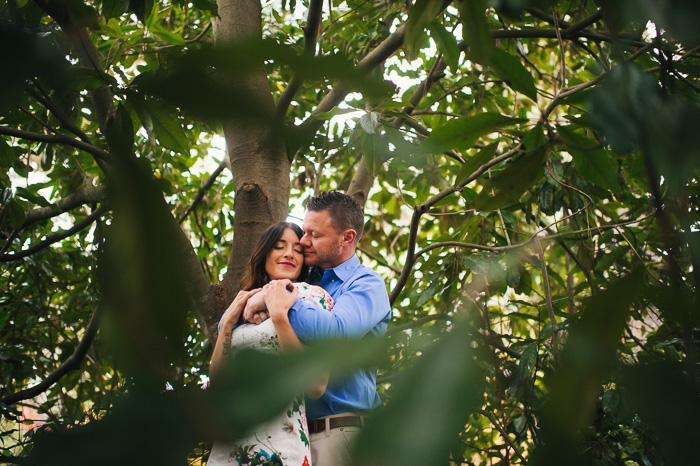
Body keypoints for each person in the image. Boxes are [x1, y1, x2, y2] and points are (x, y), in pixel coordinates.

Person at [243, 191, 391, 466]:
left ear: (347, 238)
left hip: (341, 433)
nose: (303, 241)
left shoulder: (367, 284)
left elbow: (336, 333)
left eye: (314, 234)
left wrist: (277, 299)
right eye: (304, 230)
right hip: (292, 441)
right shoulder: (307, 283)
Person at [208, 222, 332, 466]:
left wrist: (279, 316)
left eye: (297, 249)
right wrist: (226, 324)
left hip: (281, 442)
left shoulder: (312, 298)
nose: (289, 254)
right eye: (279, 247)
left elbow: (316, 385)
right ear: (264, 254)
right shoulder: (241, 304)